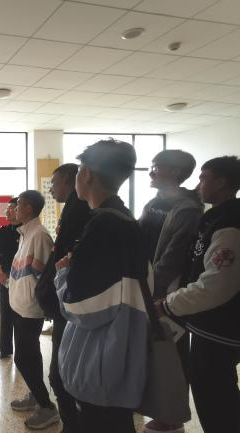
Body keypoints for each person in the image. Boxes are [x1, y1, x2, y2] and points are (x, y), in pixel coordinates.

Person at [54, 139, 151, 433]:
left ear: (87, 174)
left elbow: (83, 307)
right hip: (120, 351)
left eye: (79, 169)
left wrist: (63, 273)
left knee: (101, 423)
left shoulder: (103, 226)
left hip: (101, 361)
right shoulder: (123, 219)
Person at [156, 156, 240, 433]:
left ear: (222, 182)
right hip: (208, 323)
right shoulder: (215, 218)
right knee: (211, 387)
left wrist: (168, 303)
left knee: (214, 392)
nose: (199, 184)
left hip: (220, 326)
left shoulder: (229, 224)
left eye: (204, 178)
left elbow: (215, 285)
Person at [139, 150, 203, 433]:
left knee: (171, 357)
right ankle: (156, 408)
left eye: (156, 167)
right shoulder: (154, 202)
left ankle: (172, 418)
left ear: (176, 172)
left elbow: (173, 257)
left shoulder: (187, 209)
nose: (151, 172)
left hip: (166, 292)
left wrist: (154, 290)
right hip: (146, 285)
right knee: (152, 353)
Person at [35, 163, 90, 433]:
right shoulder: (73, 208)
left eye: (54, 183)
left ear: (71, 181)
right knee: (61, 375)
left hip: (71, 307)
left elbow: (64, 258)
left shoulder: (81, 210)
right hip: (64, 306)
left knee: (61, 376)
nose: (51, 189)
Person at [9, 190, 59, 430]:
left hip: (30, 308)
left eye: (18, 204)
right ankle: (35, 394)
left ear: (29, 208)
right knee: (32, 354)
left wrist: (43, 305)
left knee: (22, 357)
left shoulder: (39, 235)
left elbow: (47, 277)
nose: (14, 209)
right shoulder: (26, 233)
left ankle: (47, 407)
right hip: (20, 305)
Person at [0, 197, 21, 359]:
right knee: (5, 312)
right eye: (7, 208)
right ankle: (5, 348)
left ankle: (20, 350)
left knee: (19, 314)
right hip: (3, 276)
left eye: (11, 208)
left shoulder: (25, 231)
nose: (7, 211)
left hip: (19, 278)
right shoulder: (3, 230)